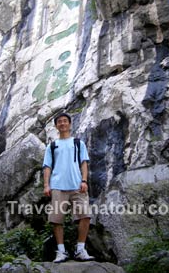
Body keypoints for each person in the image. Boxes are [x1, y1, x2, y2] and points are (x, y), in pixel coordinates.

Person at [43, 112, 95, 263]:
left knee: (85, 216)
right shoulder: (52, 146)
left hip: (77, 186)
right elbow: (47, 166)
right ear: (56, 126)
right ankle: (61, 251)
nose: (63, 123)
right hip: (58, 186)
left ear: (70, 124)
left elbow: (84, 162)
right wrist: (46, 185)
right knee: (57, 220)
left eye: (65, 121)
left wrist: (84, 180)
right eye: (60, 122)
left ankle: (80, 249)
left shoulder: (79, 143)